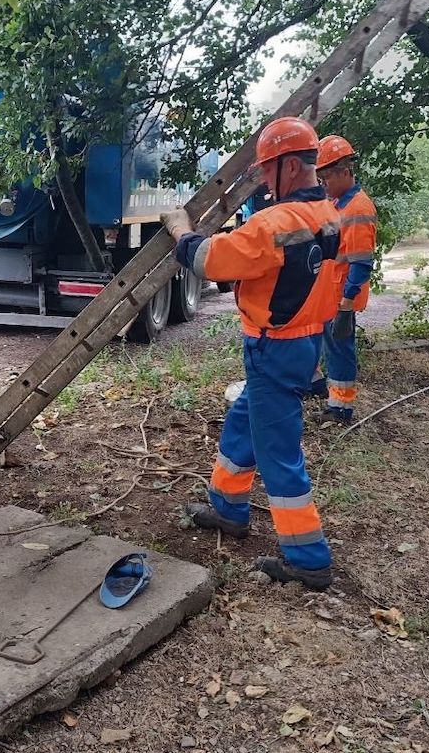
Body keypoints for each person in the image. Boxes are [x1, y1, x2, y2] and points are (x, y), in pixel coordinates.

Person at [160, 116, 340, 590]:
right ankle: (227, 507)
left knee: (278, 452)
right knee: (244, 418)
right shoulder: (329, 213)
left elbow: (212, 261)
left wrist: (182, 231)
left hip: (274, 348)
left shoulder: (277, 222)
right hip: (304, 341)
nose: (262, 179)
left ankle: (308, 558)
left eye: (266, 170)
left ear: (288, 166)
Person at [315, 135, 377, 424]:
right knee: (319, 342)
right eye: (320, 177)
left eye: (327, 176)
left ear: (345, 171)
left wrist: (346, 304)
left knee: (340, 350)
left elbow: (361, 262)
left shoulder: (358, 209)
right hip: (329, 292)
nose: (323, 183)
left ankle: (340, 408)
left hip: (341, 296)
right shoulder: (338, 204)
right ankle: (316, 387)